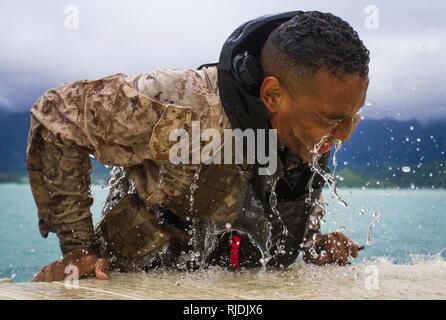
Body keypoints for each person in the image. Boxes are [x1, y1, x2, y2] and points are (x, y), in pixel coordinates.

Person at [27, 11, 369, 282]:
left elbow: (283, 190)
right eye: (331, 120)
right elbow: (58, 114)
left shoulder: (313, 121)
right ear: (273, 96)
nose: (345, 135)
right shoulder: (184, 104)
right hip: (133, 277)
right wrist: (78, 249)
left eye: (353, 117)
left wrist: (313, 241)